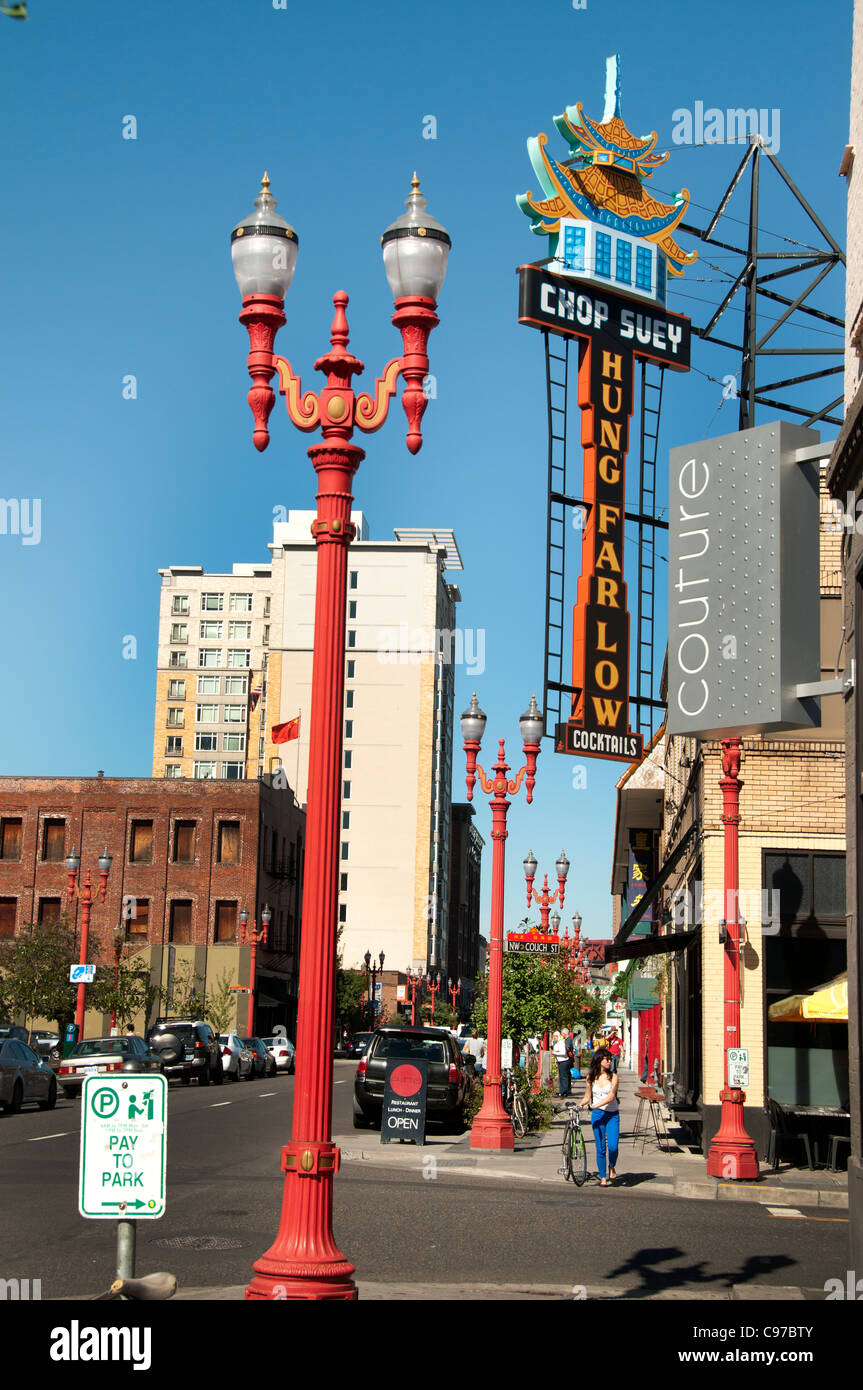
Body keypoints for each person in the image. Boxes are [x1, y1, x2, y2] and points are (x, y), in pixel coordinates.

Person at [581, 1047, 620, 1186]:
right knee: (601, 1147)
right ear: (599, 1060)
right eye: (606, 1059)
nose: (609, 1062)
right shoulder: (590, 1077)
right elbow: (588, 1096)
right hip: (598, 1116)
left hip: (612, 1114)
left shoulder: (614, 1077)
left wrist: (593, 1106)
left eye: (610, 1059)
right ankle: (603, 1177)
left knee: (613, 1146)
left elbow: (611, 1097)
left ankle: (612, 1165)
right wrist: (581, 1104)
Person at [552, 1030, 571, 1099]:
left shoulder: (561, 1043)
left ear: (558, 1036)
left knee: (564, 1076)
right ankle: (561, 1091)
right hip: (559, 1061)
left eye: (555, 1036)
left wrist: (555, 1053)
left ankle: (565, 1091)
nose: (554, 1038)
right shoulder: (556, 1043)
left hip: (564, 1061)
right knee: (561, 1076)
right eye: (553, 1036)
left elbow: (563, 1053)